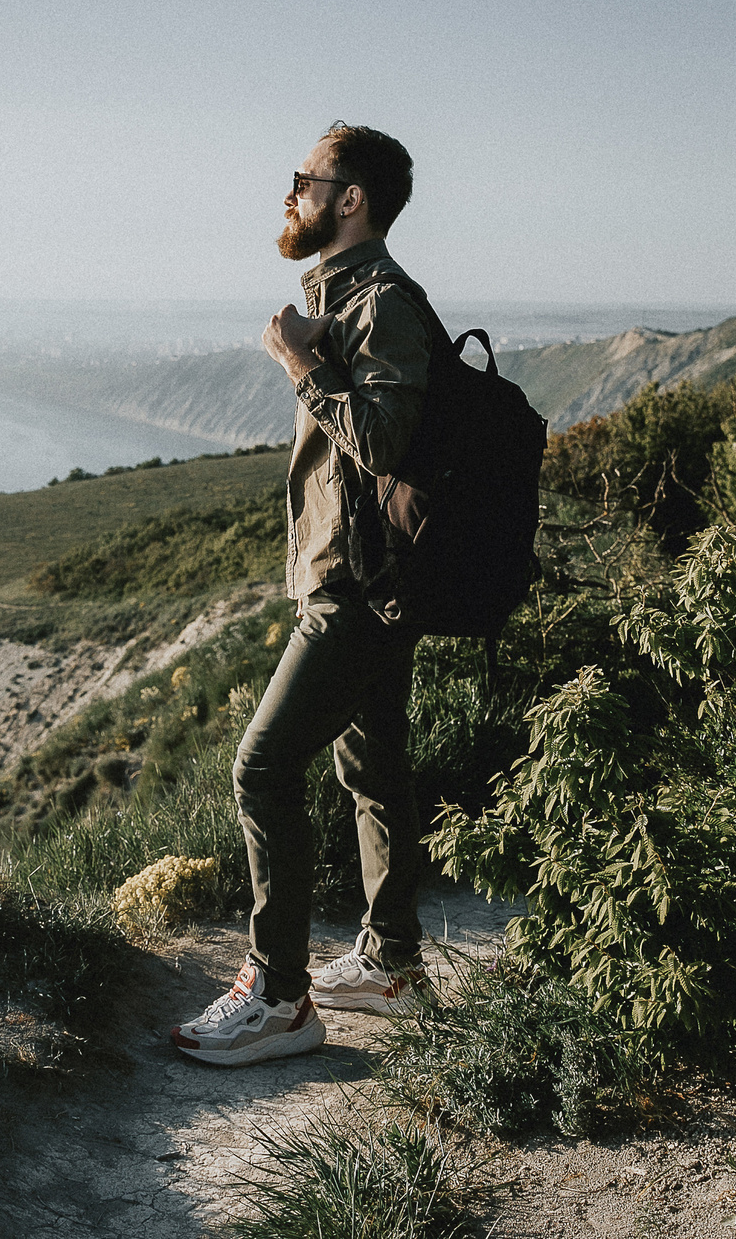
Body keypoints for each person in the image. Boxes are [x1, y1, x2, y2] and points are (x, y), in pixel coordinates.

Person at [170, 121, 436, 1067]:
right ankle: (392, 964)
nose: (291, 196)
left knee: (262, 765)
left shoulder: (385, 305)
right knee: (370, 766)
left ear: (349, 197)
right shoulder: (349, 298)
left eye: (304, 180)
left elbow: (383, 440)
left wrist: (301, 362)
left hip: (360, 588)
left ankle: (281, 998)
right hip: (363, 576)